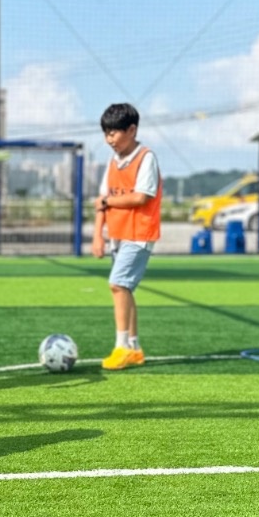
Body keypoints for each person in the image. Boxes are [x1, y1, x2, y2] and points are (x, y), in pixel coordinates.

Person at [91, 102, 162, 370]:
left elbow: (141, 196)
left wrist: (108, 202)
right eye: (106, 133)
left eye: (114, 133)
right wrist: (98, 236)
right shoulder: (112, 163)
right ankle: (134, 347)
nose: (109, 139)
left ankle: (121, 346)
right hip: (118, 235)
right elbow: (102, 201)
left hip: (139, 234)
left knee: (117, 285)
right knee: (125, 288)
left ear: (131, 130)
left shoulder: (146, 158)